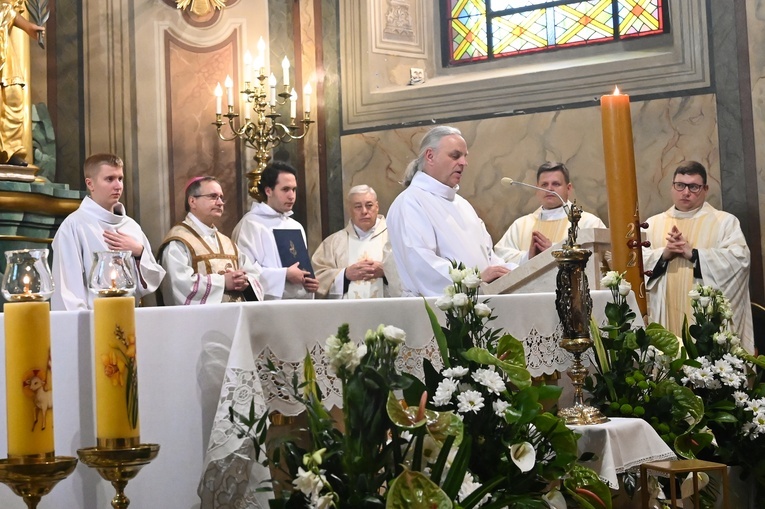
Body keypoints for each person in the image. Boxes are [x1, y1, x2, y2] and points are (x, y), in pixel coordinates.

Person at [387, 125, 514, 297]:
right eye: (455, 156)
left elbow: (488, 258)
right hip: (438, 314)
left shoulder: (463, 205)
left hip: (481, 303)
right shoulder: (410, 202)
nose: (463, 163)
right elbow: (422, 264)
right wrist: (475, 279)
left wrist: (524, 265)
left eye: (464, 156)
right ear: (430, 156)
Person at [643, 161, 753, 351]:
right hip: (665, 314)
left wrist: (694, 254)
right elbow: (635, 264)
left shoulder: (725, 222)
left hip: (706, 319)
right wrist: (664, 255)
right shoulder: (651, 225)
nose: (686, 192)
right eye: (680, 185)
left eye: (693, 187)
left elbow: (740, 260)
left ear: (705, 189)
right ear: (672, 187)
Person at [51, 153, 166, 310]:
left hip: (130, 316)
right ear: (90, 184)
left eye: (120, 178)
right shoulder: (74, 226)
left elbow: (147, 285)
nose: (118, 186)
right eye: (109, 179)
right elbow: (67, 290)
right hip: (93, 321)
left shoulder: (131, 226)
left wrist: (139, 252)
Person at [158, 176, 263, 305]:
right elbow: (179, 285)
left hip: (233, 320)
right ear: (192, 201)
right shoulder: (178, 241)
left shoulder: (227, 243)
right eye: (213, 197)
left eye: (221, 197)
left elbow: (253, 275)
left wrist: (244, 281)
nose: (220, 203)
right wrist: (223, 282)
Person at [232, 161, 319, 299]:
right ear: (268, 191)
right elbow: (245, 272)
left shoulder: (296, 226)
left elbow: (302, 268)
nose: (292, 196)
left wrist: (309, 283)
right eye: (285, 189)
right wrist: (284, 275)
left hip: (299, 307)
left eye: (294, 189)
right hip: (268, 307)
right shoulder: (250, 224)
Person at [494, 161, 606, 265]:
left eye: (556, 184)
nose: (550, 189)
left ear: (568, 188)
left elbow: (601, 259)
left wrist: (553, 251)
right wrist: (528, 256)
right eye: (544, 185)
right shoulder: (520, 226)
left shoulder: (588, 223)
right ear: (537, 189)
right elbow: (499, 257)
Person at [311, 185, 401, 299]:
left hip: (387, 312)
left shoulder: (395, 236)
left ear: (377, 207)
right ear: (350, 210)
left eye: (369, 206)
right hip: (347, 314)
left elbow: (413, 270)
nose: (364, 211)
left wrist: (386, 271)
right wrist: (344, 275)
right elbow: (316, 280)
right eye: (358, 207)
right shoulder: (333, 243)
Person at [0, 2, 44, 166]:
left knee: (14, 93)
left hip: (2, 42)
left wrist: (27, 27)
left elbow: (5, 9)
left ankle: (9, 151)